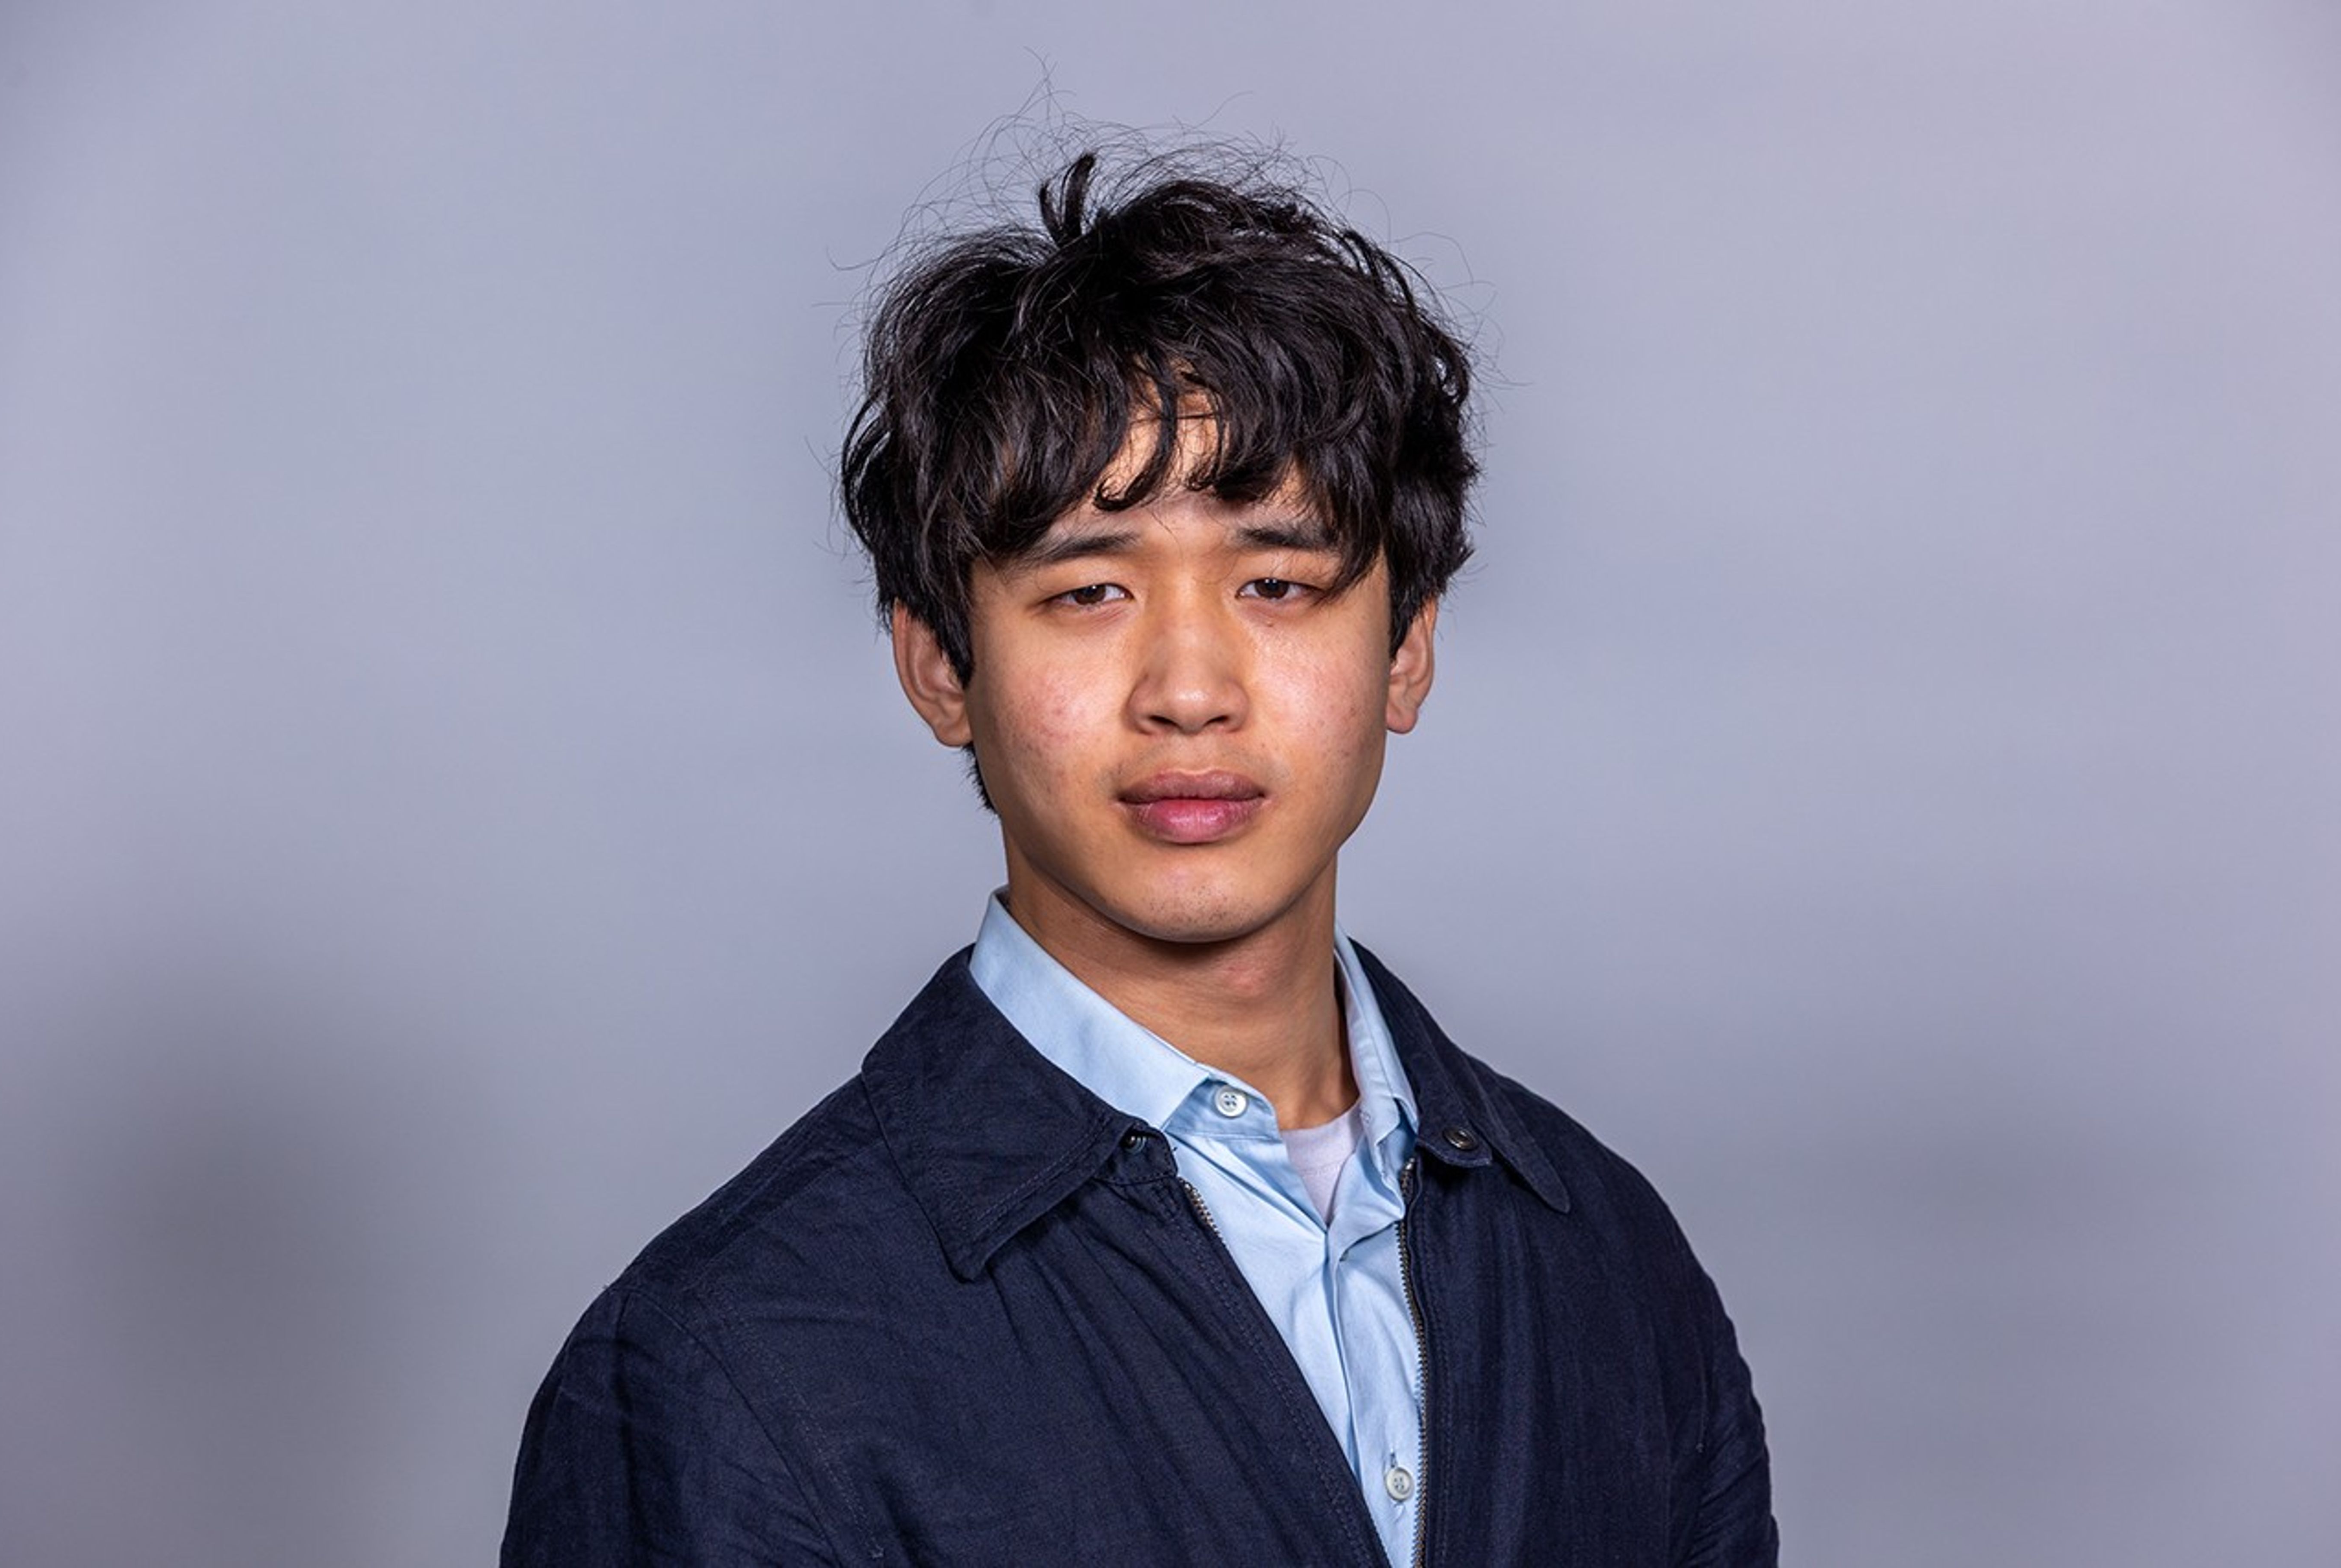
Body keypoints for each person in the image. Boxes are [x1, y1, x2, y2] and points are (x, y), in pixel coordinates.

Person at [502, 145, 1777, 1567]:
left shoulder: (1604, 1255)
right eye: (1089, 588)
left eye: (1278, 585)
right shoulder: (724, 1359)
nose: (1188, 685)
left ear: (1405, 651)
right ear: (942, 667)